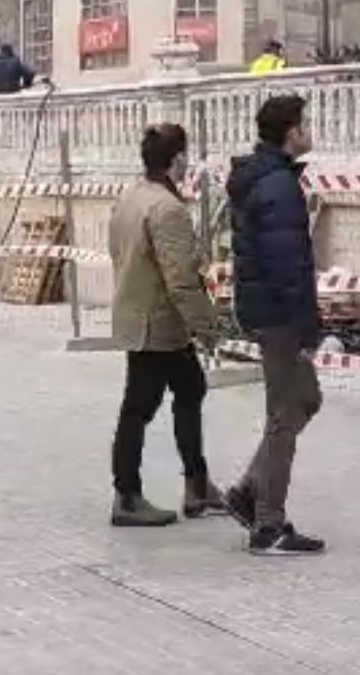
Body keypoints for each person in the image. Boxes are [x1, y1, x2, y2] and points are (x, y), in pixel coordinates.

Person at [108, 122, 224, 527]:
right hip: (157, 325)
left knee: (189, 390)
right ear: (177, 159)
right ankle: (127, 494)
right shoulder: (168, 209)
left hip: (141, 316)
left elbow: (117, 253)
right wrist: (207, 325)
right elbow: (180, 277)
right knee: (140, 407)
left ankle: (197, 484)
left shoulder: (131, 198)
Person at [225, 93, 325, 555]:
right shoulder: (279, 187)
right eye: (305, 124)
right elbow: (288, 266)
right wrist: (306, 329)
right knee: (286, 413)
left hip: (266, 309)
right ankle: (268, 523)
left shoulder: (267, 179)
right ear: (291, 132)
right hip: (279, 316)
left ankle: (249, 490)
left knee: (306, 399)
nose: (309, 131)